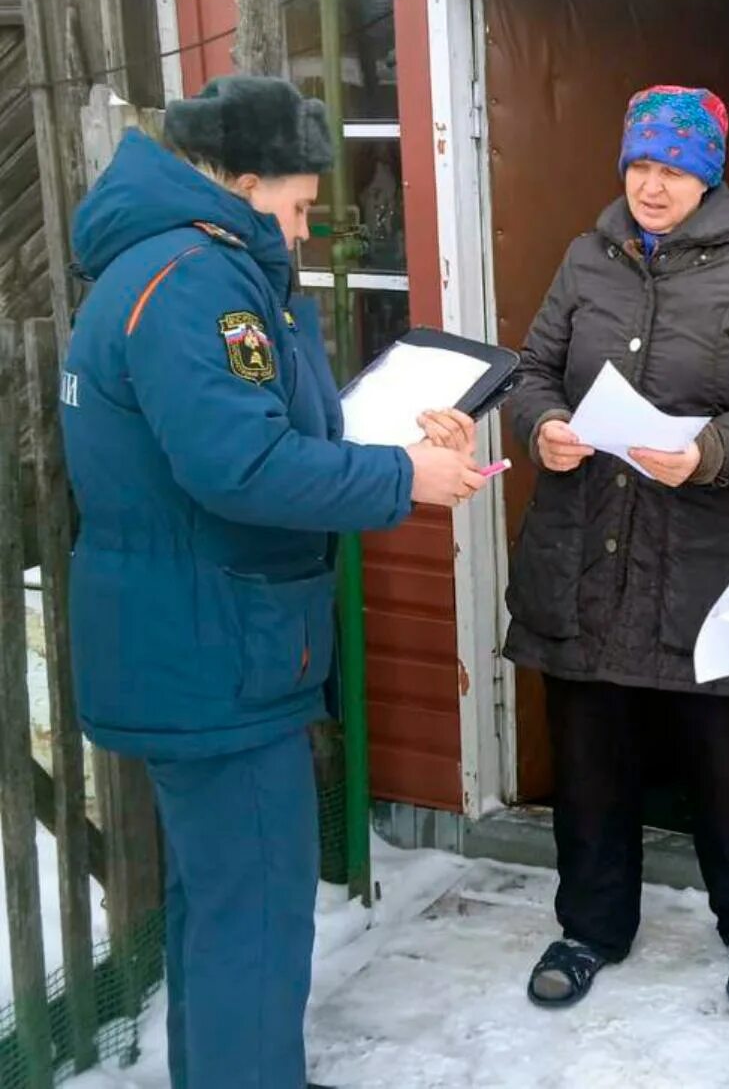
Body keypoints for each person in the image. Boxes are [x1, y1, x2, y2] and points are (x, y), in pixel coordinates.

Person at [61, 76, 487, 1089]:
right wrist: (401, 477)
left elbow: (254, 435)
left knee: (220, 905)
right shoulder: (196, 281)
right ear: (245, 183)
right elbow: (239, 468)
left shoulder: (181, 267)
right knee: (252, 911)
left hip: (198, 637)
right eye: (297, 208)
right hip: (216, 649)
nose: (300, 234)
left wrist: (385, 435)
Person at [503, 84, 729, 1011]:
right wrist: (545, 426)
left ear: (706, 175)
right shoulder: (583, 259)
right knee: (589, 752)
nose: (651, 184)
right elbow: (528, 372)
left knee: (726, 759)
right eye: (640, 165)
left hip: (703, 556)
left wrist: (711, 451)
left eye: (672, 169)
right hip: (587, 547)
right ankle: (590, 926)